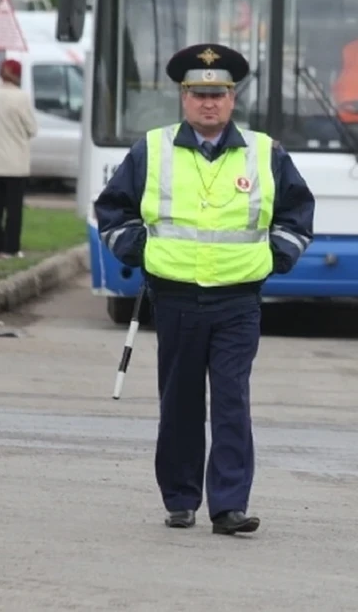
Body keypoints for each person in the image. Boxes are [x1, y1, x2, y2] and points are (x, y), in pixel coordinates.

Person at [93, 43, 315, 534]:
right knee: (180, 401)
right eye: (198, 94)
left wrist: (275, 257)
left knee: (232, 400)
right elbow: (112, 210)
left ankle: (229, 505)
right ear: (183, 98)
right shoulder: (151, 149)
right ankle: (180, 498)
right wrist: (139, 252)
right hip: (175, 297)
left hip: (238, 299)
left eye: (217, 94)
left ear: (232, 98)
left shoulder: (265, 152)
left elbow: (298, 214)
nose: (208, 103)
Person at [0, 58, 38, 258]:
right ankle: (10, 248)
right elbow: (32, 128)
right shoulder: (21, 98)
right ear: (18, 75)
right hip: (15, 164)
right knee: (14, 210)